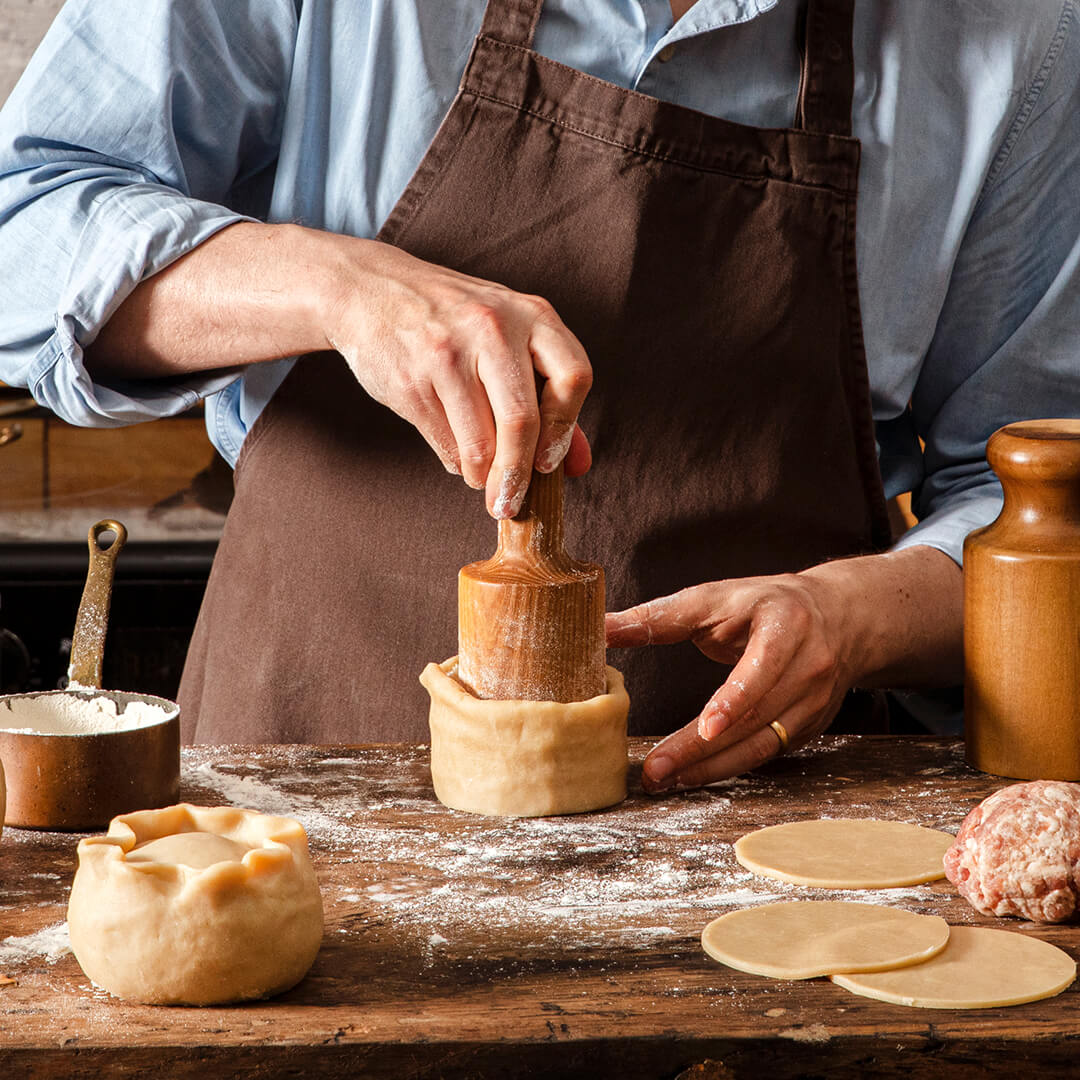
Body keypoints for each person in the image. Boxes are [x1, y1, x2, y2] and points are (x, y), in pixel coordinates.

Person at [1, 0, 1077, 791]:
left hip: (753, 832)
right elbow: (23, 228)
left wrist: (855, 620)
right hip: (298, 798)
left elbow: (1045, 493)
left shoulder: (1015, 39)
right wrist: (332, 284)